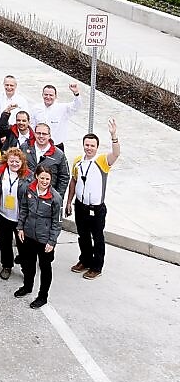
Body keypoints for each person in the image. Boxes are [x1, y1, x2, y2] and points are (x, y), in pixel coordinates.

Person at [66, 118, 120, 280]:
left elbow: (116, 154)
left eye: (92, 145)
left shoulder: (102, 161)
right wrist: (69, 201)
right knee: (83, 236)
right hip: (80, 206)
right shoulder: (78, 161)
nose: (89, 148)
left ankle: (97, 267)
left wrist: (114, 136)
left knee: (97, 238)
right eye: (87, 145)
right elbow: (74, 181)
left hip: (96, 208)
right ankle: (85, 260)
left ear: (97, 147)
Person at [15, 165, 61, 309]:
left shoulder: (55, 198)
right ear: (36, 176)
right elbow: (24, 209)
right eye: (42, 178)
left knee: (45, 268)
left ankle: (42, 296)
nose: (44, 181)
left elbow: (57, 222)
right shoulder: (29, 189)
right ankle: (27, 287)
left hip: (44, 239)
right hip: (28, 235)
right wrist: (20, 227)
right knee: (28, 264)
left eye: (47, 179)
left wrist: (52, 241)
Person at [0, 147, 30, 281]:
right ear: (6, 161)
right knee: (5, 243)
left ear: (22, 162)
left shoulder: (28, 176)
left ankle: (26, 268)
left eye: (17, 161)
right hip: (3, 215)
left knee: (23, 246)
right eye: (11, 161)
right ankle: (7, 266)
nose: (14, 164)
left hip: (20, 218)